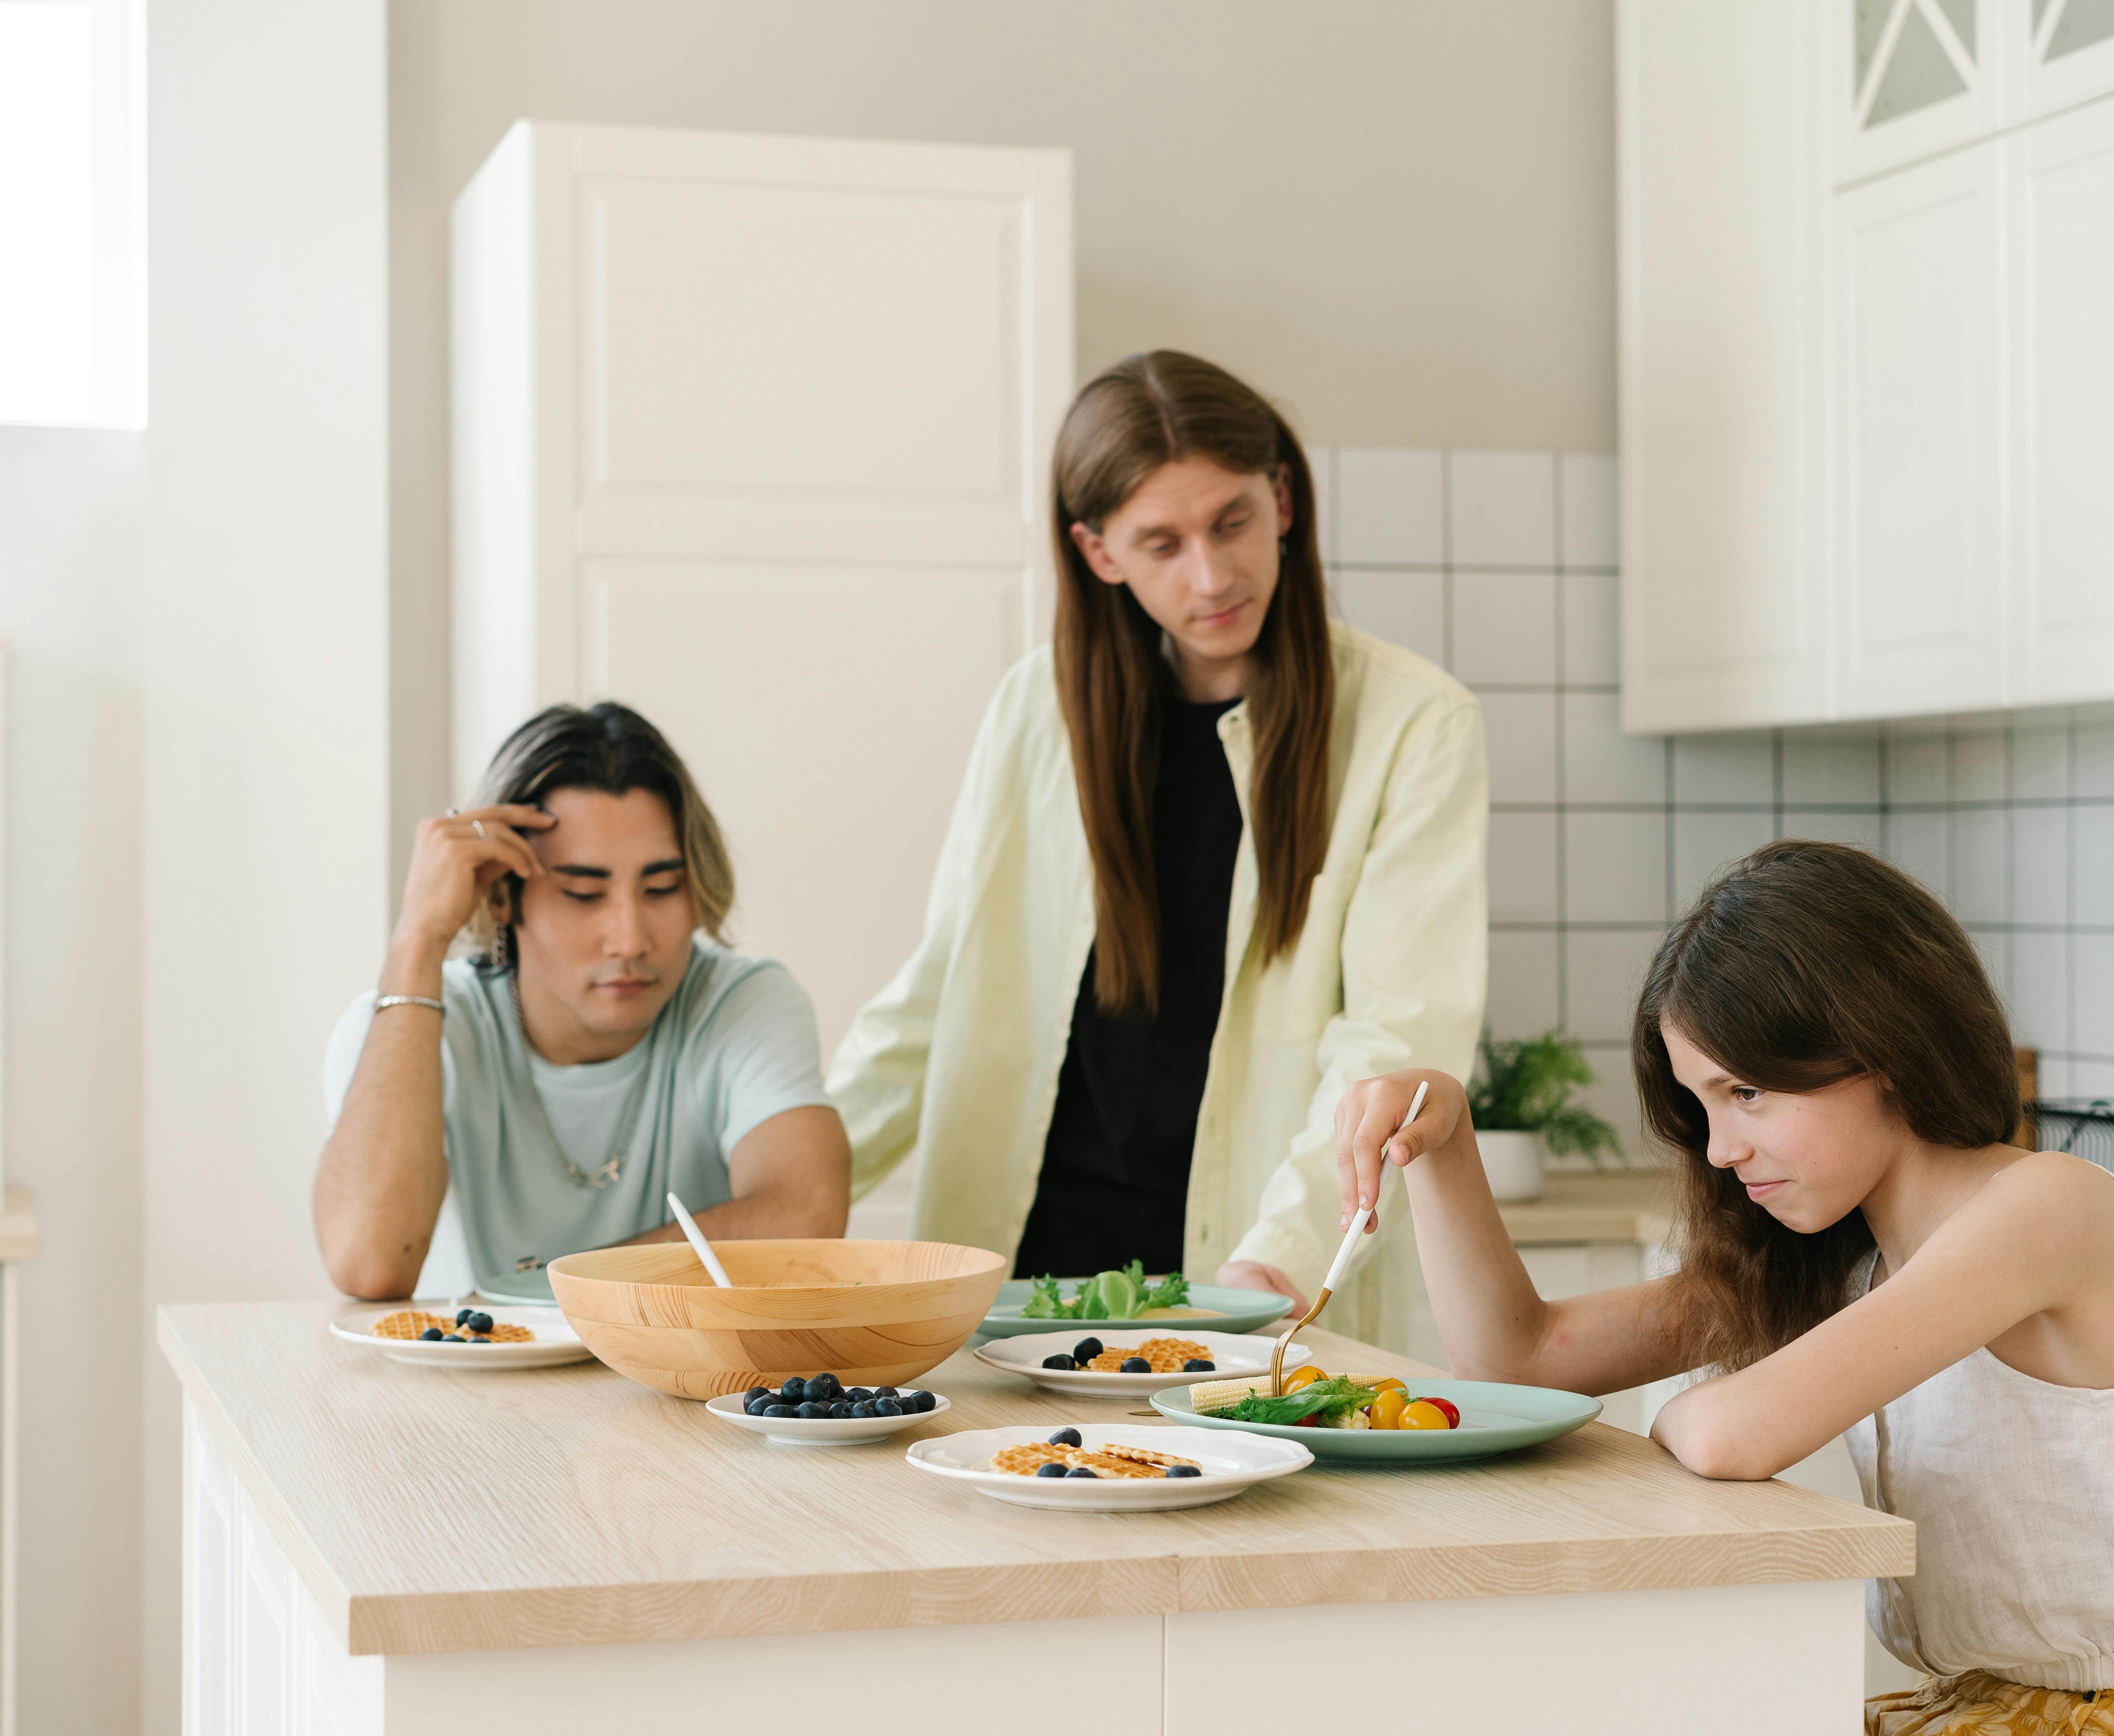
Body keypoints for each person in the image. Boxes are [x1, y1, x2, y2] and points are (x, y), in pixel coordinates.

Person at [1334, 841, 2114, 1736]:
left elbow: (1733, 1435)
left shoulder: (2053, 1206)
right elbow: (1517, 1361)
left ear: (1881, 1047)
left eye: (1747, 1094)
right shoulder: (1847, 1260)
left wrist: (1689, 1414)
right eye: (1702, 1107)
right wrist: (1443, 1143)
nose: (1722, 1149)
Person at [829, 350, 1489, 1341]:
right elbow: (941, 995)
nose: (1213, 576)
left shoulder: (1413, 724)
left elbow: (1396, 1047)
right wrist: (772, 1194)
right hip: (1020, 1294)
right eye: (1162, 543)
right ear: (1100, 553)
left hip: (1249, 1285)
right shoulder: (1034, 710)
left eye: (1231, 522)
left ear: (1282, 501)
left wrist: (1271, 1265)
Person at [316, 702, 849, 1300]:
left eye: (662, 888)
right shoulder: (399, 1026)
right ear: (499, 898)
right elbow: (369, 1265)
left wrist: (556, 1290)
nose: (630, 939)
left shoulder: (744, 1003)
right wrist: (417, 942)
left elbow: (806, 1219)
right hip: (464, 1390)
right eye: (583, 894)